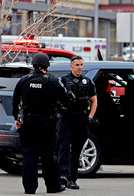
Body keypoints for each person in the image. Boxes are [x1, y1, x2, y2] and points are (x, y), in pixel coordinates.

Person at [12, 53, 67, 194]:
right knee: (49, 156)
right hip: (47, 124)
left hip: (28, 124)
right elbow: (65, 99)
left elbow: (15, 101)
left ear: (33, 66)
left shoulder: (23, 80)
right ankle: (53, 186)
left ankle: (29, 188)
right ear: (47, 66)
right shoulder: (53, 81)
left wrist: (17, 119)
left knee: (29, 157)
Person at [57, 55, 97, 190]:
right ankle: (62, 175)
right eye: (77, 65)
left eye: (81, 65)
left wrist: (90, 117)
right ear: (71, 66)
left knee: (77, 150)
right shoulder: (63, 80)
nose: (80, 67)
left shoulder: (88, 81)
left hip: (81, 118)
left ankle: (72, 179)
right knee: (64, 147)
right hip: (66, 117)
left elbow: (94, 101)